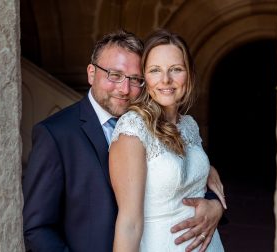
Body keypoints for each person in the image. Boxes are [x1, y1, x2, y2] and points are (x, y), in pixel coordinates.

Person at [23, 30, 225, 252]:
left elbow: (179, 179)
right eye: (114, 75)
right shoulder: (56, 134)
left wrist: (216, 202)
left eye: (135, 79)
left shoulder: (169, 124)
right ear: (91, 73)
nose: (124, 89)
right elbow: (37, 228)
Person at [109, 29, 225, 252]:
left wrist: (215, 204)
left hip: (210, 245)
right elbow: (128, 225)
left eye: (176, 69)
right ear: (144, 77)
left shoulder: (189, 124)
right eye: (155, 70)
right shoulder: (133, 128)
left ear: (189, 74)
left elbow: (191, 179)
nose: (165, 80)